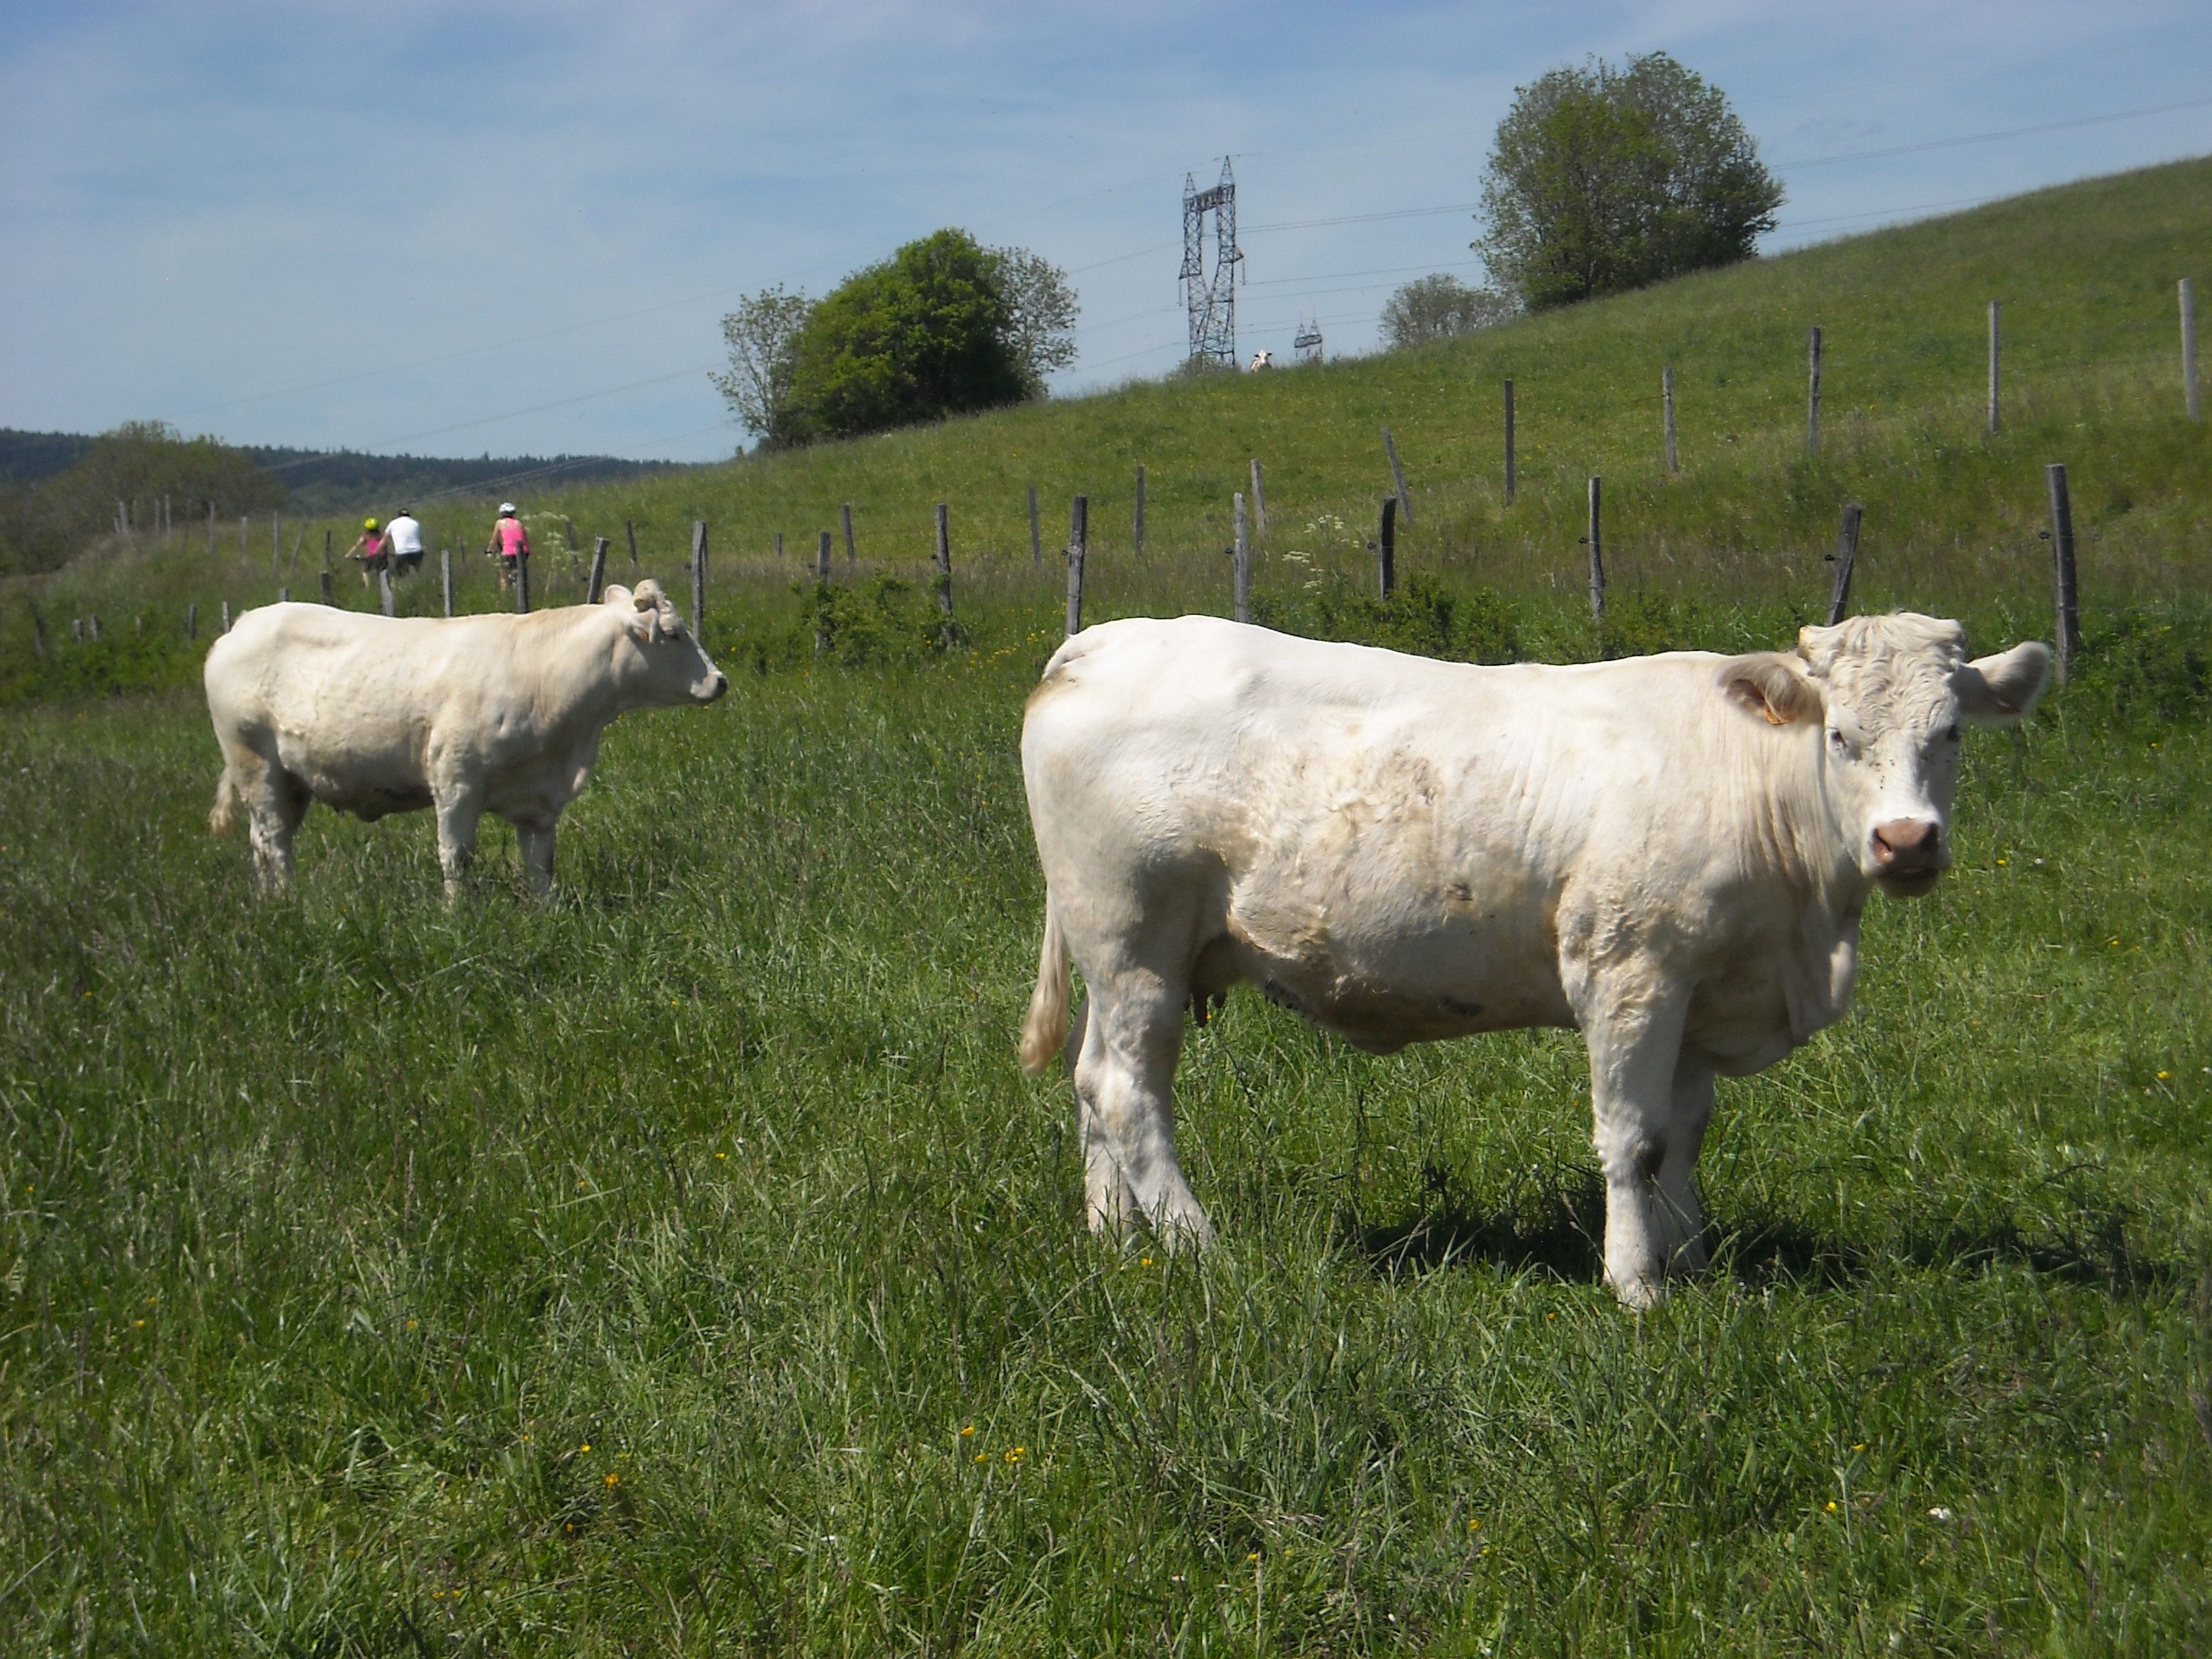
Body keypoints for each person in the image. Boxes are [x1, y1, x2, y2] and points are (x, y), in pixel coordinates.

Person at [485, 503, 530, 593]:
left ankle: (504, 596)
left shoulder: (499, 523)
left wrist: (489, 550)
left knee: (503, 575)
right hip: (523, 551)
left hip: (508, 552)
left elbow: (494, 539)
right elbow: (525, 538)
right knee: (520, 571)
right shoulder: (519, 523)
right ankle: (522, 590)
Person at [346, 517, 389, 588]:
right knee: (383, 571)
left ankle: (367, 586)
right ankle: (386, 586)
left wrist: (348, 555)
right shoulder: (382, 535)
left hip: (372, 557)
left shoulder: (366, 536)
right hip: (383, 556)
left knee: (365, 571)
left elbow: (357, 546)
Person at [385, 505, 425, 575]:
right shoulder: (416, 523)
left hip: (402, 553)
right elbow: (420, 537)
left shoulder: (393, 523)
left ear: (399, 516)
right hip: (417, 552)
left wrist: (377, 551)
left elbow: (385, 538)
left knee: (400, 574)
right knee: (417, 573)